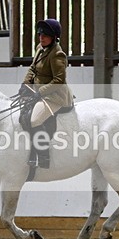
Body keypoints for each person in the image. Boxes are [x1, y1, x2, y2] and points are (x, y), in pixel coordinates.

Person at [18, 18, 74, 169]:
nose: (41, 37)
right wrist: (25, 84)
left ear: (54, 37)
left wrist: (40, 92)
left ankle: (43, 156)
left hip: (55, 96)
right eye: (40, 34)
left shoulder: (57, 54)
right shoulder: (40, 48)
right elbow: (32, 68)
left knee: (34, 120)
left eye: (45, 35)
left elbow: (59, 80)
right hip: (40, 93)